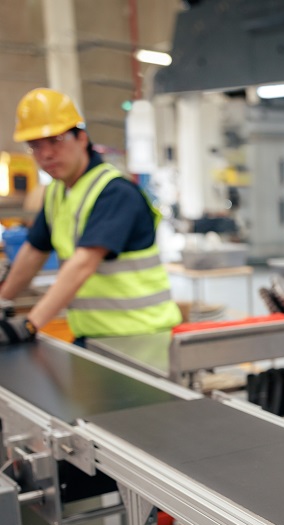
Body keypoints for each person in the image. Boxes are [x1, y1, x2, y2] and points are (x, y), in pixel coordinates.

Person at [0, 88, 181, 346]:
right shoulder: (56, 194)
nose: (46, 154)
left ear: (81, 138)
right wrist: (3, 299)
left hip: (142, 337)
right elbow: (33, 251)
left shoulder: (115, 192)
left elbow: (83, 264)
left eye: (56, 140)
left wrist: (31, 324)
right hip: (92, 336)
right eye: (36, 146)